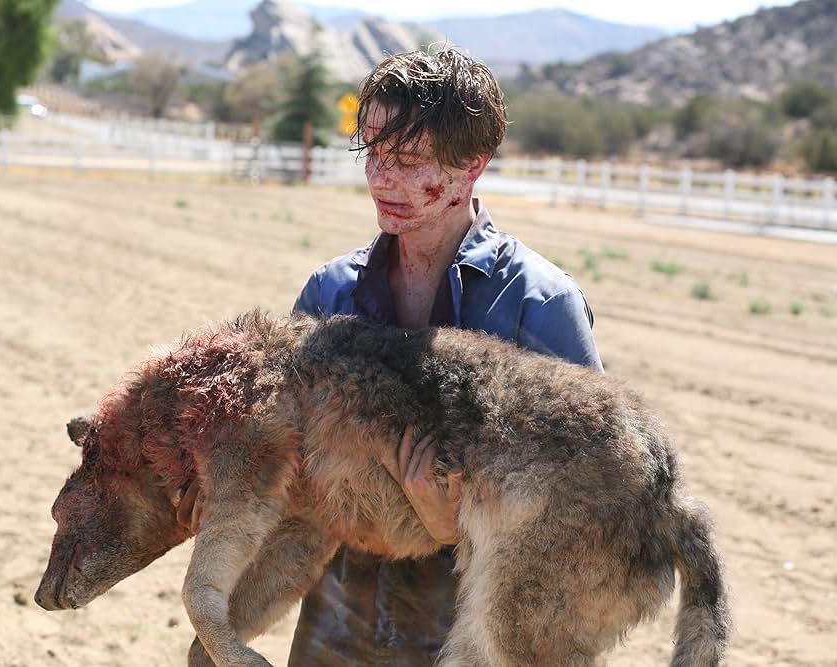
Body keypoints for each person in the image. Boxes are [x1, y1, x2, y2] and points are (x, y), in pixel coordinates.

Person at [179, 47, 603, 665]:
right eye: (374, 156)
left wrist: (453, 522)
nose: (383, 180)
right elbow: (287, 457)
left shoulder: (539, 304)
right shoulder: (331, 292)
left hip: (474, 637)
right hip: (337, 624)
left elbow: (591, 501)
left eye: (409, 161)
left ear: (473, 166)